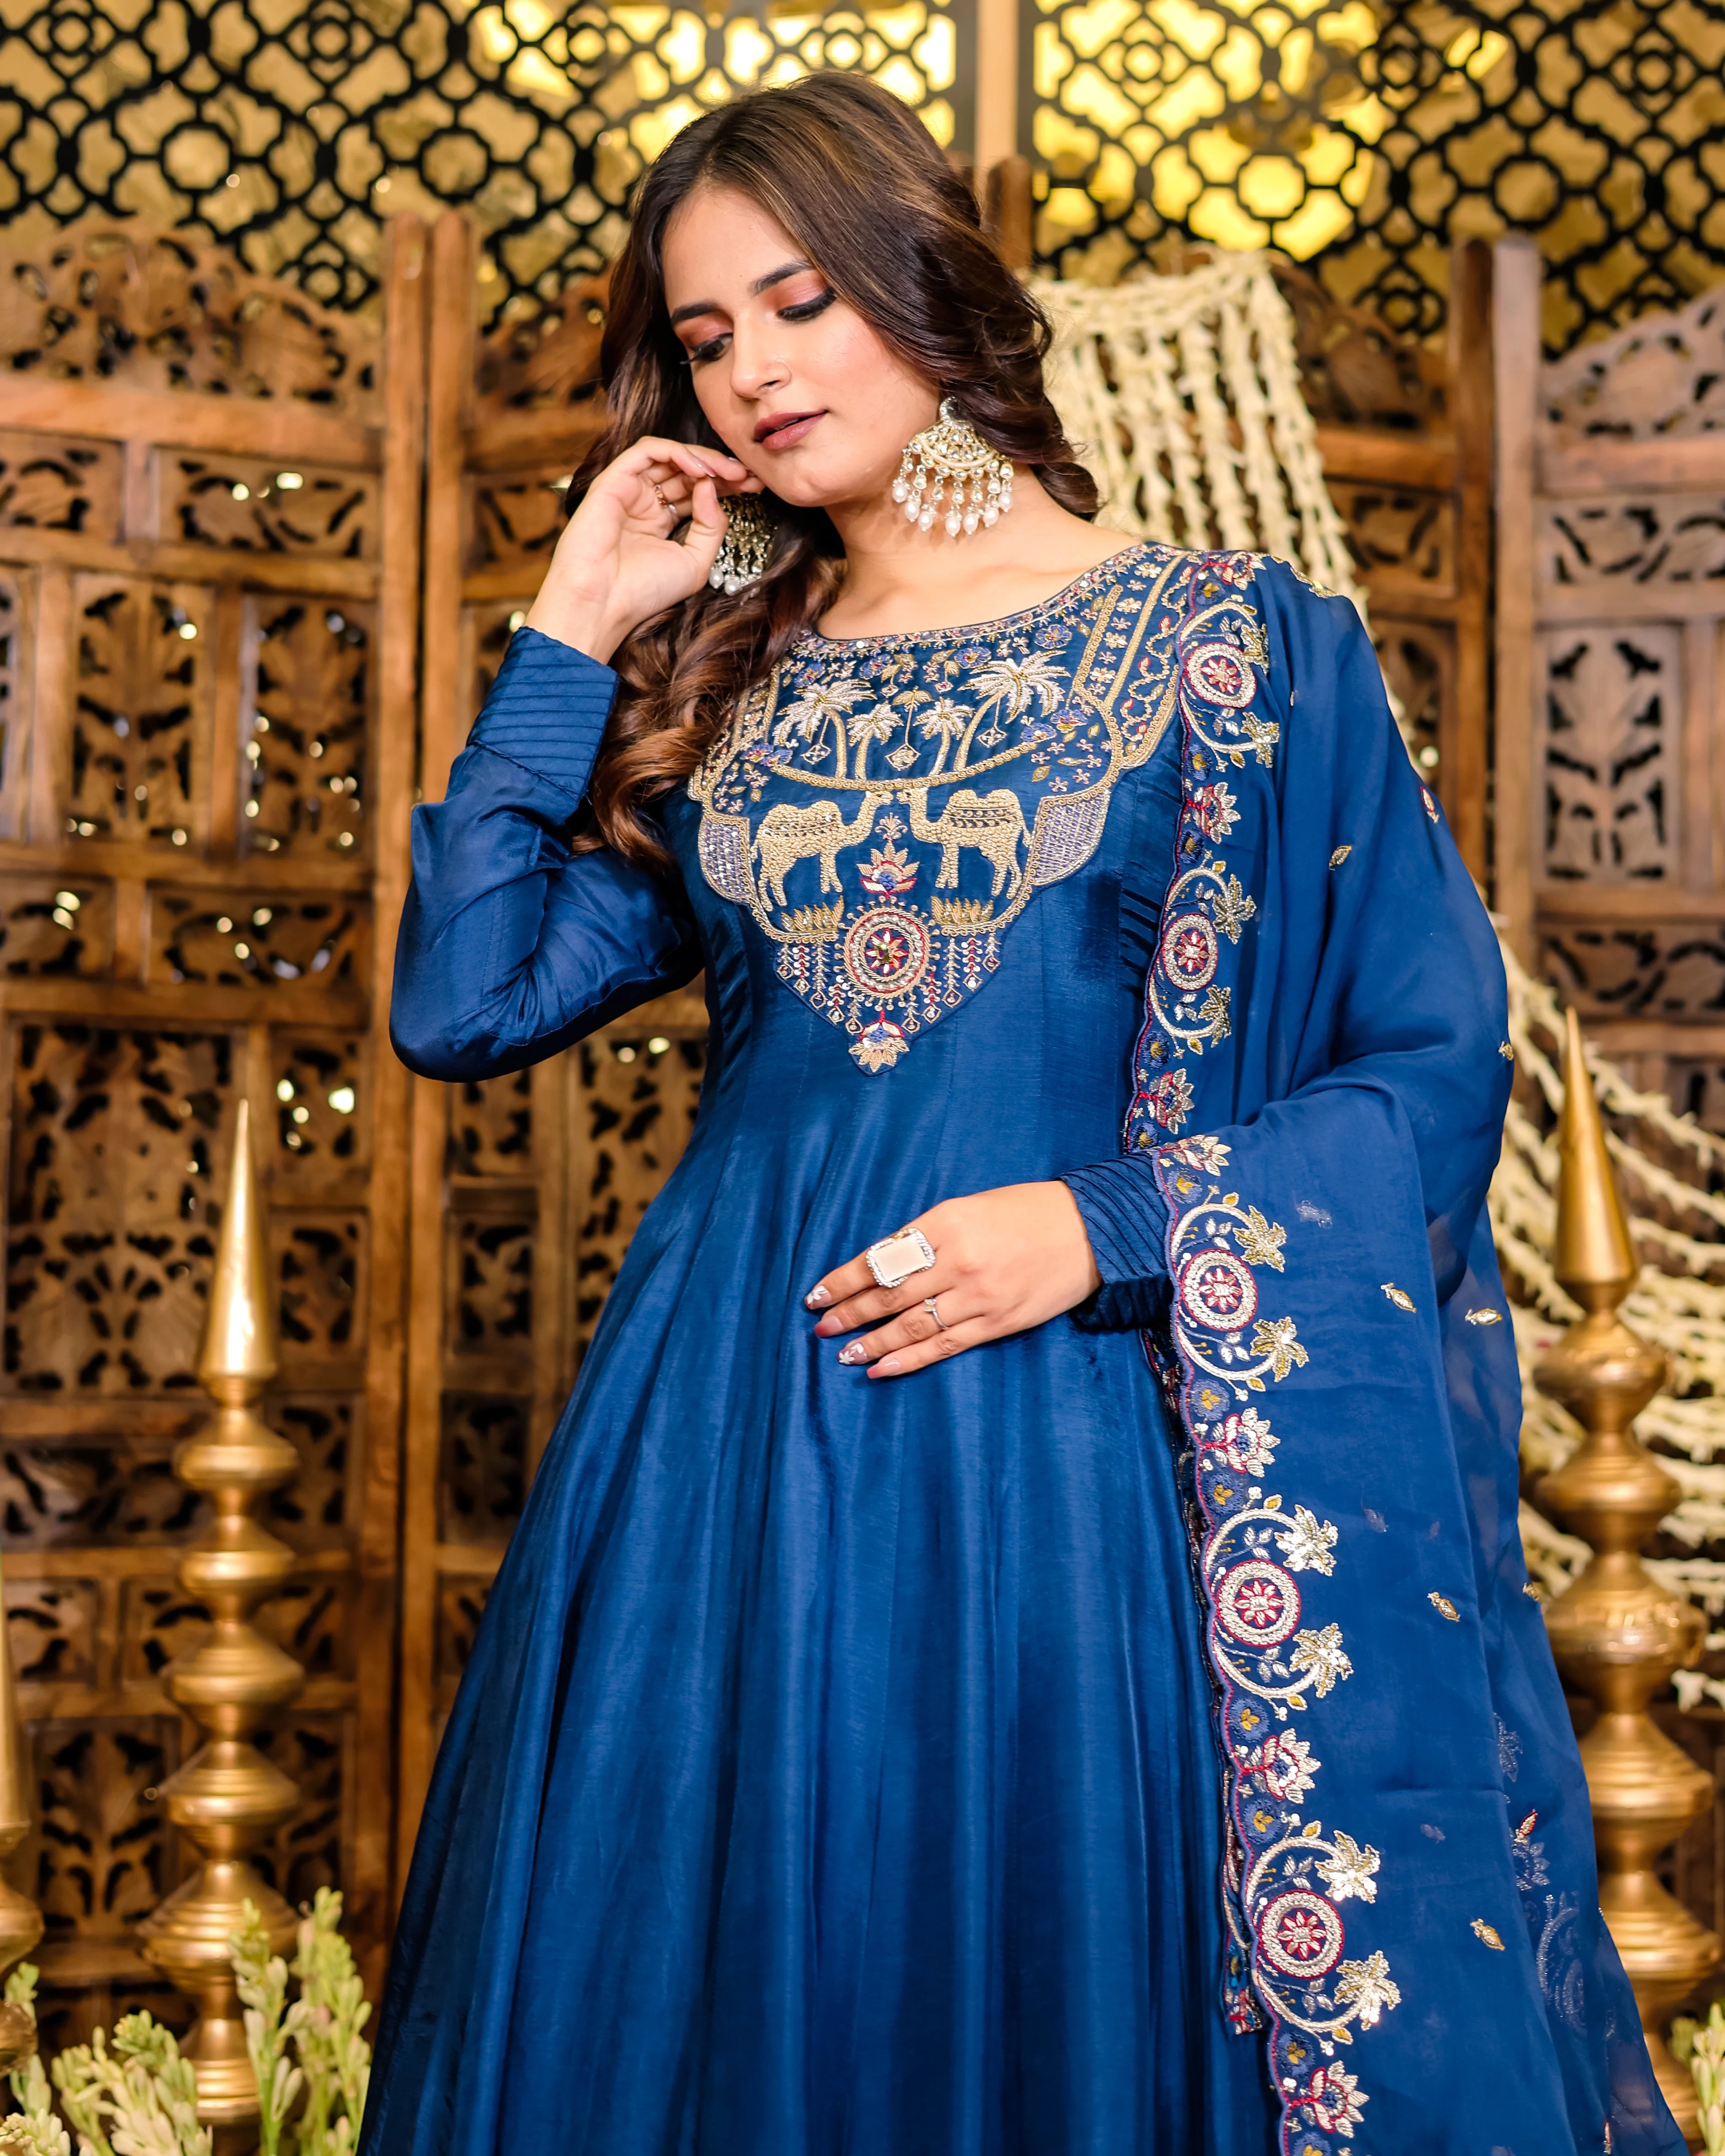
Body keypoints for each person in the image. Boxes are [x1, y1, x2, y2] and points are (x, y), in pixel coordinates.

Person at [365, 70, 1679, 2156]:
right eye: (705, 338)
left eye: (799, 301)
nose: (760, 370)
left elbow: (1431, 1071)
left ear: (922, 277)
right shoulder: (728, 680)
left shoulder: (1242, 655)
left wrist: (1101, 1226)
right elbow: (462, 1003)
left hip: (1086, 1458)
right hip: (731, 1454)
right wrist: (569, 626)